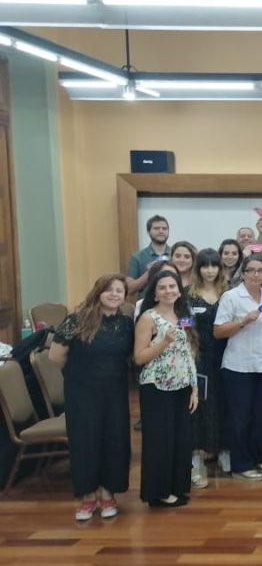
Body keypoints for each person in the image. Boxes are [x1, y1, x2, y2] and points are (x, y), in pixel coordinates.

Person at [50, 275, 134, 521]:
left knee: (115, 440)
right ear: (98, 292)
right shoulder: (76, 319)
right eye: (109, 290)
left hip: (115, 391)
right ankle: (87, 497)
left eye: (119, 290)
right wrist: (80, 375)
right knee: (85, 442)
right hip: (82, 392)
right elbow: (56, 356)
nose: (114, 294)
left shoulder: (127, 323)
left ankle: (108, 494)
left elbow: (130, 356)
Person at [133, 270, 199, 508]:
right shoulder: (148, 318)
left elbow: (189, 352)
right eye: (163, 287)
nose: (169, 291)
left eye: (173, 286)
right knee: (160, 441)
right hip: (156, 387)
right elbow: (139, 357)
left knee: (180, 439)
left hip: (181, 385)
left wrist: (194, 388)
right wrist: (163, 342)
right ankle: (158, 492)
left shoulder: (183, 314)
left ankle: (175, 486)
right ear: (155, 292)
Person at [213, 255, 262, 480]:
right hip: (238, 367)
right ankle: (241, 463)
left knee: (261, 416)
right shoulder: (231, 297)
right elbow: (218, 331)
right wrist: (243, 321)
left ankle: (256, 457)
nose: (256, 274)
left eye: (261, 270)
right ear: (243, 273)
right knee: (240, 417)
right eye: (252, 270)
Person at [187, 248, 229, 487]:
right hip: (199, 357)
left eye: (214, 265)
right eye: (205, 265)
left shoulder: (229, 293)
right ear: (198, 268)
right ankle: (197, 455)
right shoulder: (188, 295)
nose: (210, 270)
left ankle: (223, 448)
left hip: (225, 356)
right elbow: (185, 327)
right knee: (200, 404)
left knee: (224, 402)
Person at [126, 215, 170, 295]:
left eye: (164, 228)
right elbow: (129, 289)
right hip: (146, 304)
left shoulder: (177, 255)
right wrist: (150, 272)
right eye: (156, 228)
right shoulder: (137, 257)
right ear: (148, 232)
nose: (161, 231)